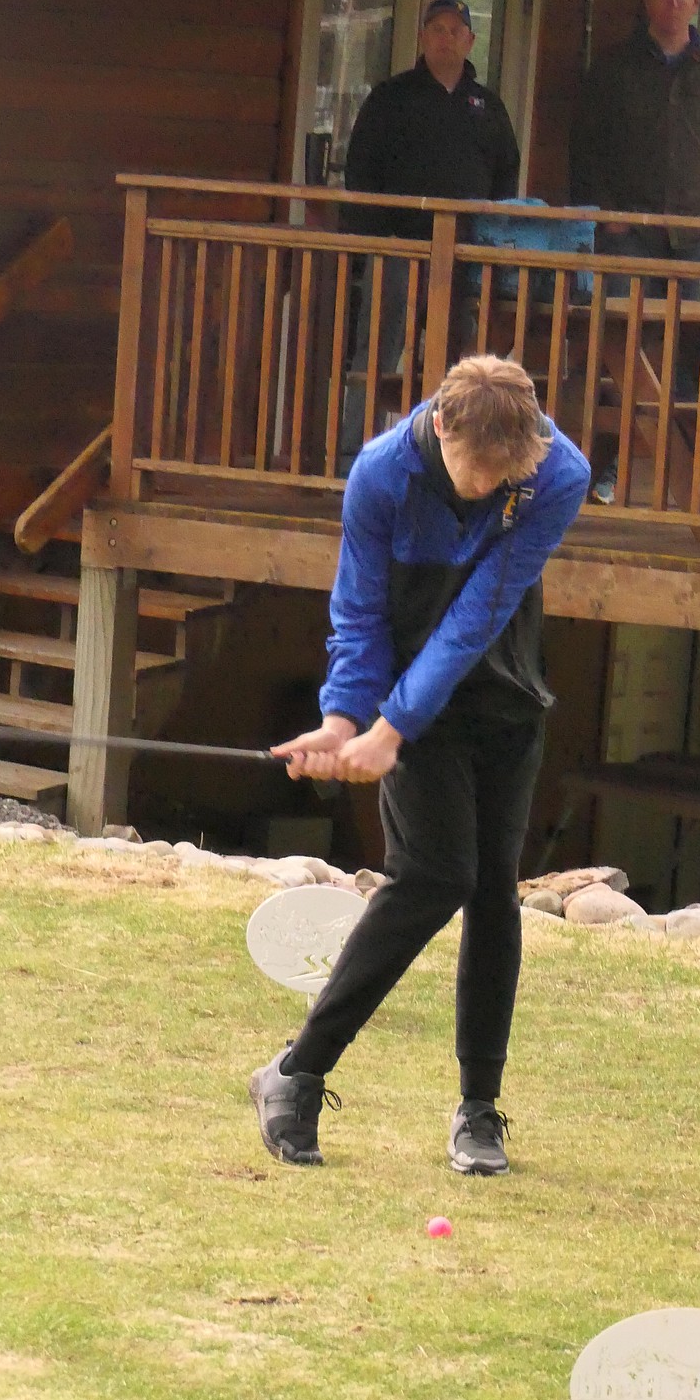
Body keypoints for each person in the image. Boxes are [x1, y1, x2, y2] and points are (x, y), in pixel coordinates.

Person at [250, 355, 590, 1175]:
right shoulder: (381, 475)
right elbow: (360, 610)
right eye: (482, 470)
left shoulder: (558, 472)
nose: (492, 486)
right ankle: (295, 1075)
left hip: (503, 694)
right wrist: (343, 720)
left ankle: (479, 1112)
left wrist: (388, 729)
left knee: (491, 889)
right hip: (412, 690)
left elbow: (480, 614)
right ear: (442, 425)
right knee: (434, 874)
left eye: (509, 472)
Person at [569, 0, 700, 503]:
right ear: (647, 1)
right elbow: (585, 150)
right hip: (628, 239)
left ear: (696, 3)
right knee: (620, 354)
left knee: (698, 355)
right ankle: (609, 468)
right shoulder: (612, 67)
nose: (671, 2)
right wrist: (608, 216)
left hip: (698, 241)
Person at [338, 0, 521, 467]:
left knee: (460, 363)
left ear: (470, 40)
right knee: (376, 354)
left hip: (464, 259)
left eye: (456, 30)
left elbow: (506, 180)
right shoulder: (391, 98)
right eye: (437, 29)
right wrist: (380, 240)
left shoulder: (489, 107)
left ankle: (450, 461)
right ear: (422, 37)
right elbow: (361, 173)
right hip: (398, 251)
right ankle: (351, 459)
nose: (446, 38)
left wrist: (486, 241)